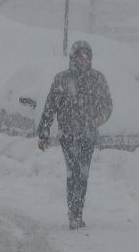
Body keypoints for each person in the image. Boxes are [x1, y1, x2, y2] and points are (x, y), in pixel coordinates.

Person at [37, 40, 113, 229]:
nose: (83, 60)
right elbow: (50, 106)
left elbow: (107, 105)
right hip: (68, 134)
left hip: (88, 134)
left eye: (86, 56)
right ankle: (73, 213)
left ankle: (78, 211)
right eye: (79, 56)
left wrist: (98, 118)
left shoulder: (98, 79)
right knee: (74, 172)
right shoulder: (62, 79)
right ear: (72, 58)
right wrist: (44, 132)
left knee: (83, 174)